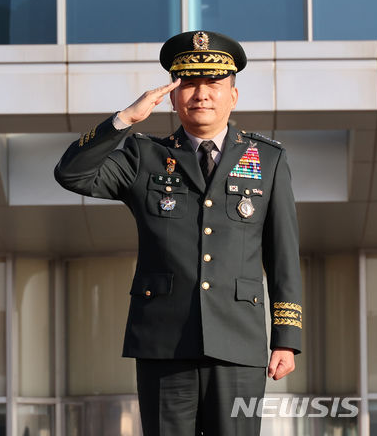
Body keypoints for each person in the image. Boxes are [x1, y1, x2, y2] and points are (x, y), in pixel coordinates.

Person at [54, 31, 302, 436]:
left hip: (238, 343)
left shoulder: (268, 160)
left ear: (233, 96)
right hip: (163, 343)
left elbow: (283, 255)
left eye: (213, 84)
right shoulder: (143, 155)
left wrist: (286, 338)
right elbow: (72, 173)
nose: (201, 94)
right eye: (189, 83)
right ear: (172, 96)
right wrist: (124, 121)